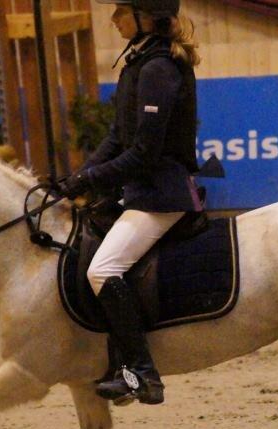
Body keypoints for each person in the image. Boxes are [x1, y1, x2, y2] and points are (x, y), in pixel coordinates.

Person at [57, 0, 202, 405]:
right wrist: (76, 179)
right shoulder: (138, 63)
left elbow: (144, 154)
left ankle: (142, 372)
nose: (113, 19)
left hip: (161, 193)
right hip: (139, 191)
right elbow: (117, 138)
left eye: (121, 11)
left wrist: (89, 179)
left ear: (145, 16)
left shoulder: (159, 68)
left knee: (103, 270)